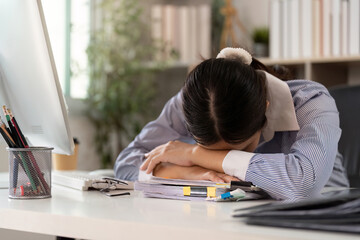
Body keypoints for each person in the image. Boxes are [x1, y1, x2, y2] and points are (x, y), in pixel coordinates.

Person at [114, 47, 349, 200]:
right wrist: (186, 172)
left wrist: (195, 153)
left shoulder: (310, 101)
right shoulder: (195, 102)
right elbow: (126, 164)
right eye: (209, 149)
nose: (220, 160)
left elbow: (302, 185)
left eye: (241, 148)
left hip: (320, 218)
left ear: (265, 109)